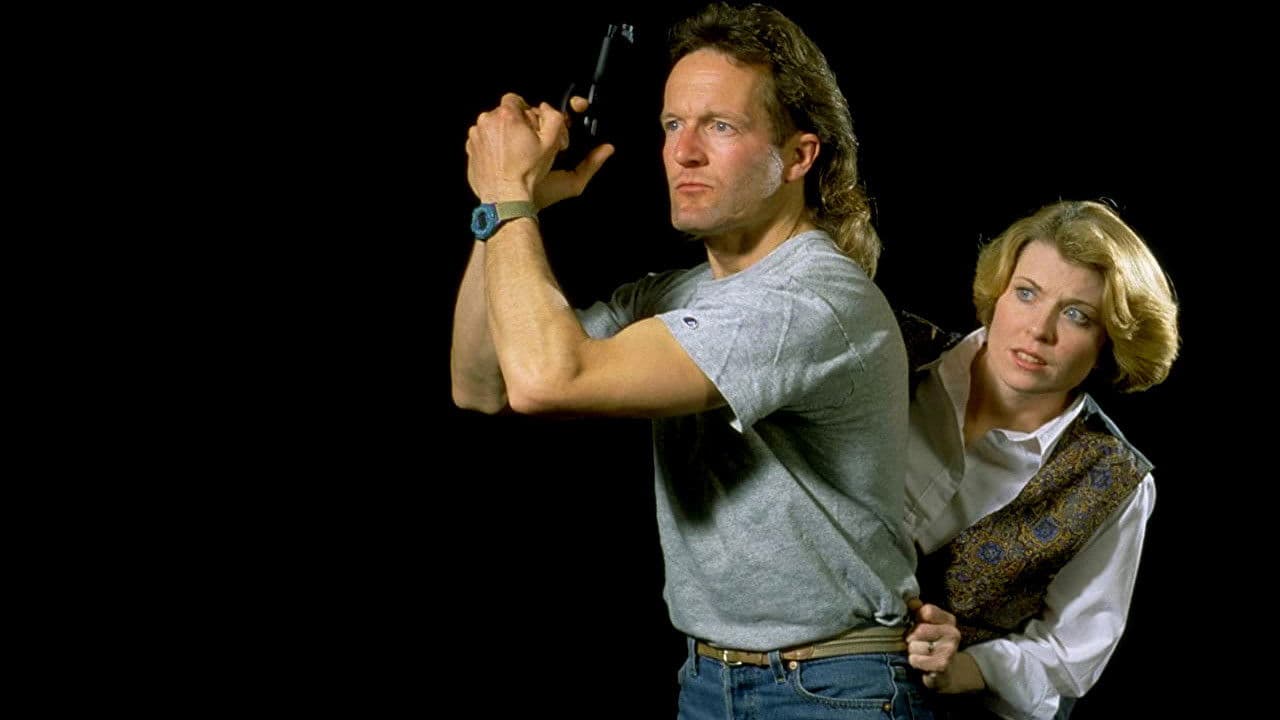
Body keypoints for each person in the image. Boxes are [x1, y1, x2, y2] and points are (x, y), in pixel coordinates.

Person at [451, 3, 932, 717]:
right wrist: (504, 214)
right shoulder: (678, 295)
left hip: (831, 687)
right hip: (711, 678)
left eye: (721, 126)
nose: (684, 152)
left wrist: (506, 192)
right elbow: (481, 381)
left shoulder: (810, 299)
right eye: (673, 125)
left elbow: (546, 379)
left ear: (799, 156)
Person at [897, 200, 1179, 719]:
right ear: (998, 294)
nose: (1039, 330)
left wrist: (967, 666)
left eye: (1077, 315)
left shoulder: (1112, 478)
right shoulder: (894, 352)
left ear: (1110, 342)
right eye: (1026, 293)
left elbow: (1070, 654)